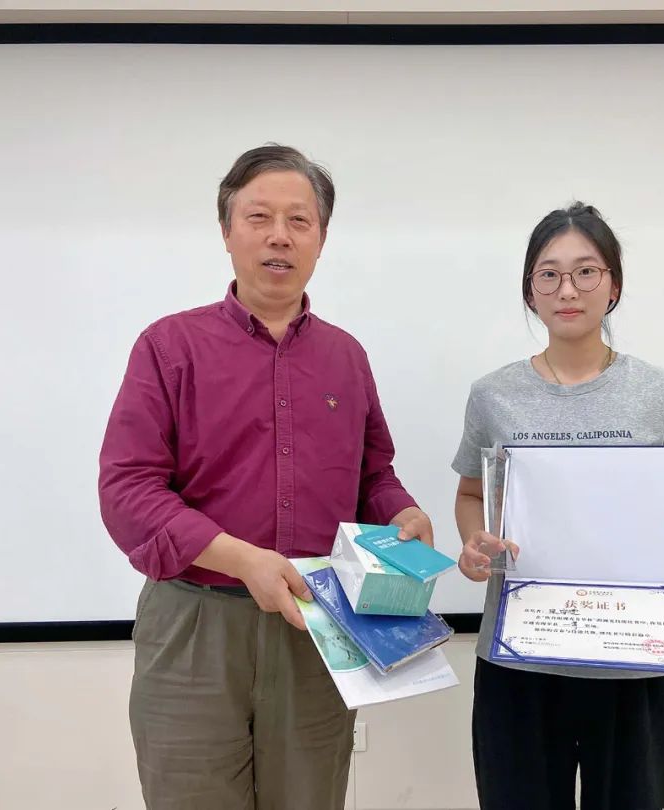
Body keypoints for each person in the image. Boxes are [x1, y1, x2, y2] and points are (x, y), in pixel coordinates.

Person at [99, 144, 433, 810]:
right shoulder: (169, 346)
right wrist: (242, 559)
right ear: (227, 232)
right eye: (258, 217)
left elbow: (374, 475)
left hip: (316, 623)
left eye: (299, 220)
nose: (279, 235)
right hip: (194, 625)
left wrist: (402, 514)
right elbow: (128, 490)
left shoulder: (345, 357)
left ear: (321, 240)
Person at [451, 202, 664, 810]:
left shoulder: (659, 391)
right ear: (530, 291)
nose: (567, 290)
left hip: (637, 658)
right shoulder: (493, 394)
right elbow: (471, 495)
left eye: (585, 272)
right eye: (548, 274)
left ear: (613, 286)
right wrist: (474, 545)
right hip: (520, 660)